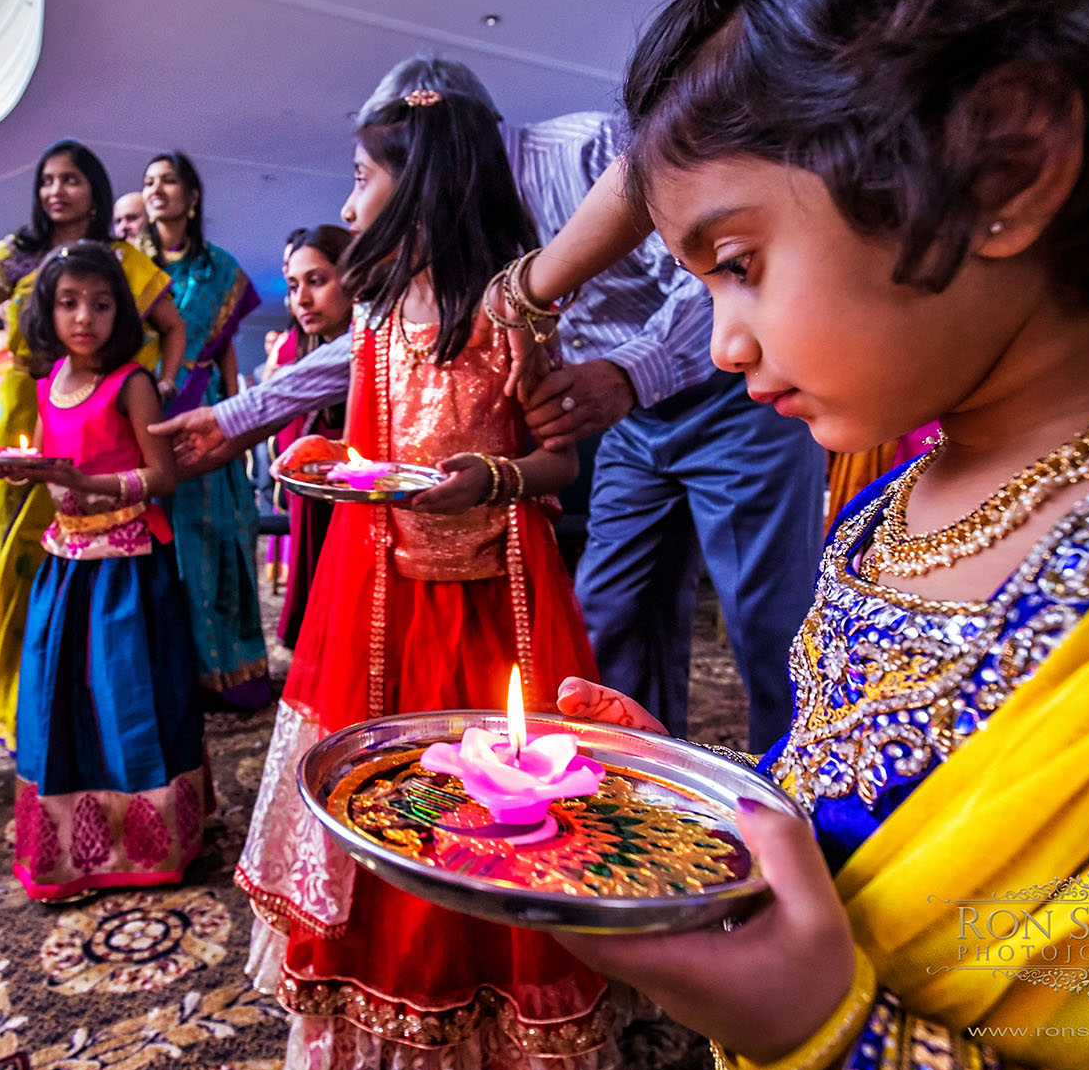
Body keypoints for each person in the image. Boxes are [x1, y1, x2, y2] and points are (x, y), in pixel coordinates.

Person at [482, 0, 1089, 1070]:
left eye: (742, 264)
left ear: (1003, 169)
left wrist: (839, 1038)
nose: (721, 346)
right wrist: (688, 811)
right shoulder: (895, 500)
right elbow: (854, 813)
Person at [155, 57, 822, 751]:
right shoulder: (442, 276)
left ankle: (807, 813)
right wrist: (238, 417)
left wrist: (627, 373)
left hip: (725, 396)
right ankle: (645, 790)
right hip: (620, 416)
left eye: (370, 170)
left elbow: (704, 267)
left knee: (767, 621)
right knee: (615, 618)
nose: (350, 207)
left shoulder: (586, 154)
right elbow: (381, 348)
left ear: (422, 159)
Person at [236, 91, 612, 1070]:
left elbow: (561, 465)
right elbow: (368, 451)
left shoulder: (506, 309)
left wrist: (490, 477)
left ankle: (496, 1006)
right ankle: (386, 1005)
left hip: (493, 604)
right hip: (384, 606)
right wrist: (326, 455)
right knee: (385, 795)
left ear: (425, 180)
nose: (351, 198)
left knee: (492, 803)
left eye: (364, 175)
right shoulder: (375, 318)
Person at [0, 243, 208, 900]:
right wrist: (32, 472)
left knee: (128, 695)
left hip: (128, 568)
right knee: (60, 697)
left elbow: (162, 477)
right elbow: (58, 466)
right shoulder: (50, 384)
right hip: (66, 563)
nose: (86, 318)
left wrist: (83, 480)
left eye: (102, 305)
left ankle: (148, 842)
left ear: (122, 314)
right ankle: (75, 845)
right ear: (47, 313)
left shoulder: (132, 384)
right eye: (69, 303)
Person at [0, 141, 186, 747]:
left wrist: (163, 382)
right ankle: (21, 704)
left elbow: (171, 327)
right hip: (34, 414)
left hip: (112, 451)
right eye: (47, 180)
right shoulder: (16, 257)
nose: (57, 191)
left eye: (71, 179)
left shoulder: (120, 271)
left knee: (120, 642)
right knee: (23, 564)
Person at [140, 152, 269, 708]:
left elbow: (226, 360)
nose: (156, 190)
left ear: (192, 197)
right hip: (144, 413)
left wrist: (238, 422)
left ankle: (228, 672)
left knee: (214, 539)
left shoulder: (221, 270)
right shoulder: (132, 266)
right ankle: (171, 673)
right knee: (156, 542)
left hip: (202, 411)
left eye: (169, 180)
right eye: (149, 182)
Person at [270, 225, 353, 650]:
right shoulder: (296, 351)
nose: (301, 299)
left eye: (316, 281)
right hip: (310, 492)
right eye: (292, 286)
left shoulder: (371, 349)